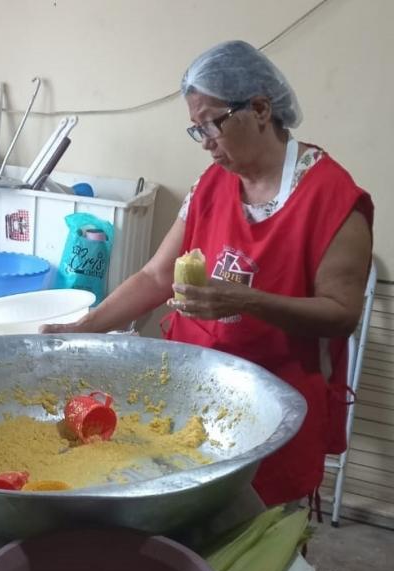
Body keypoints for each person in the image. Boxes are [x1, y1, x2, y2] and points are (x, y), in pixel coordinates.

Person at [44, 40, 373, 509]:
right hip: (187, 392)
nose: (205, 142)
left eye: (212, 124)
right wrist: (82, 330)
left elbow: (341, 315)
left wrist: (244, 300)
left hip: (275, 407)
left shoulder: (333, 198)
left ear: (259, 109)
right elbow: (157, 276)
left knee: (253, 531)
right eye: (195, 130)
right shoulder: (210, 184)